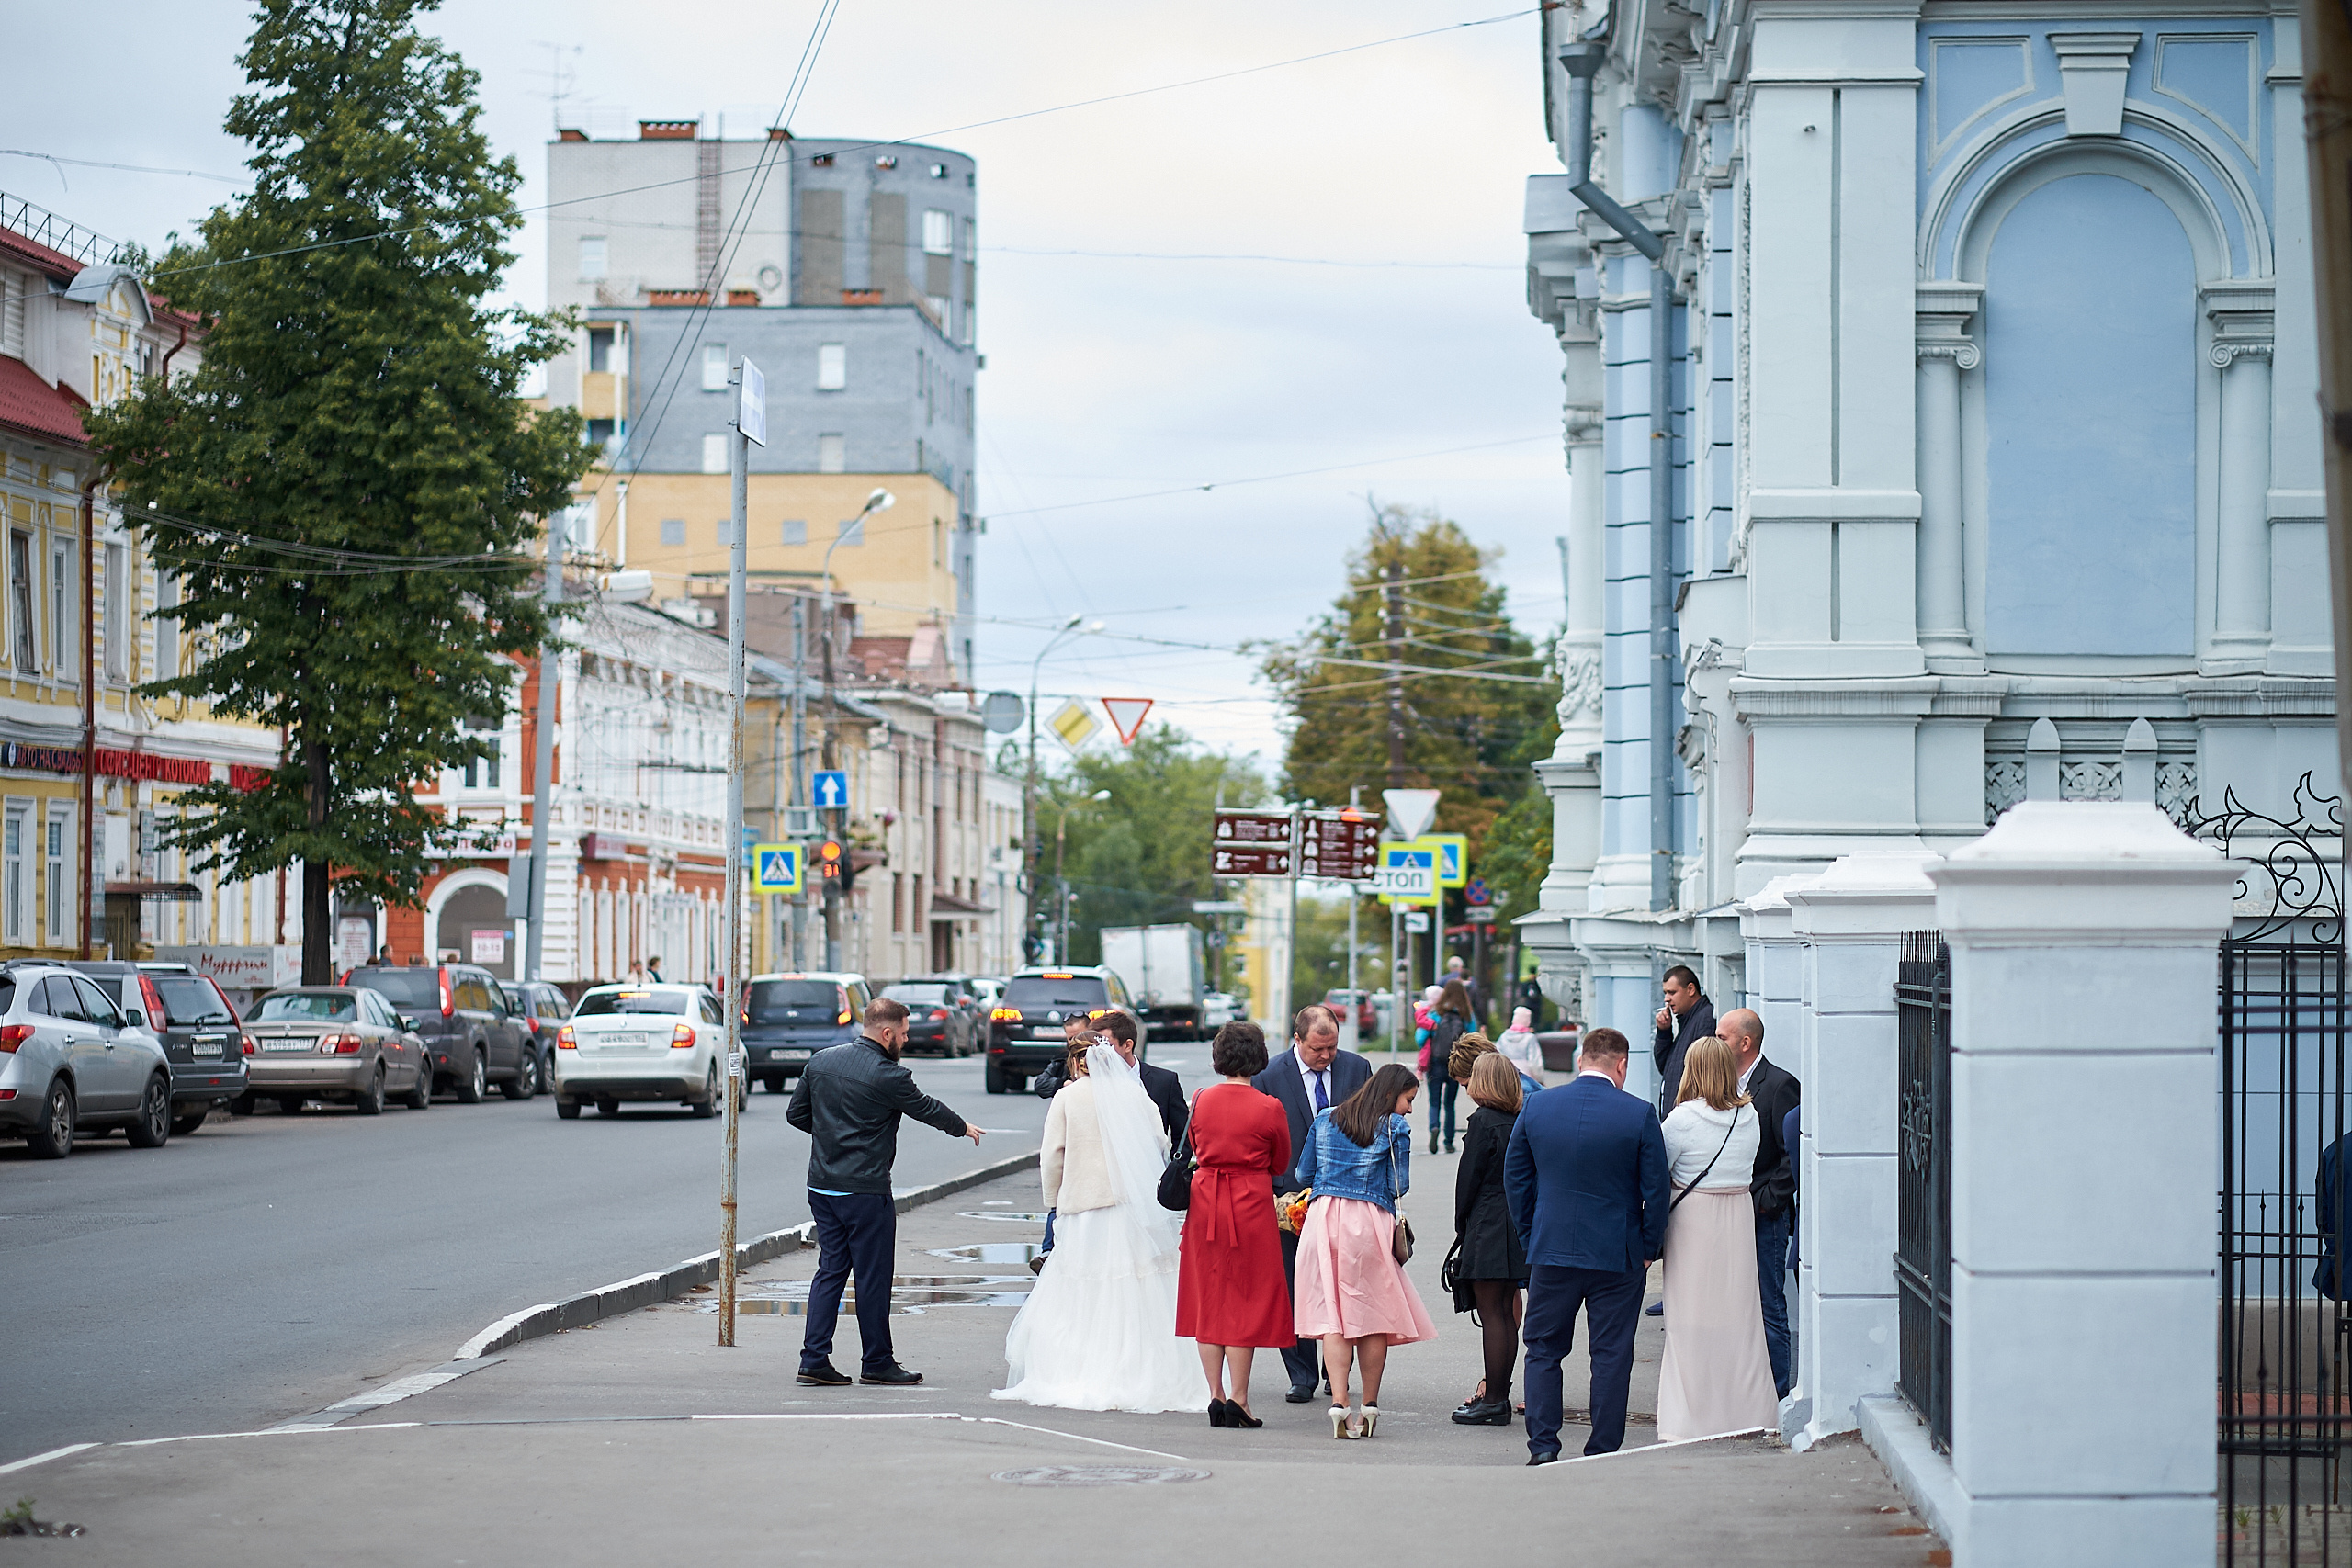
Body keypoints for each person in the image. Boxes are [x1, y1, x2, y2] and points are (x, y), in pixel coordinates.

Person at [786, 997, 984, 1388]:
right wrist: (962, 1127)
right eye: (905, 1034)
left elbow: (796, 1114)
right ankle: (877, 1362)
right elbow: (926, 1108)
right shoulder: (889, 1075)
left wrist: (833, 1139)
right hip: (865, 1191)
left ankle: (813, 1360)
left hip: (822, 1186)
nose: (907, 1041)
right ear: (887, 1032)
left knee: (830, 1270)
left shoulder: (821, 1061)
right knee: (873, 1278)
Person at [994, 1039, 1199, 1412]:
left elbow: (1052, 1154)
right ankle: (1141, 1370)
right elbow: (1158, 1139)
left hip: (1085, 1207)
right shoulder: (1134, 1093)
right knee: (1139, 1292)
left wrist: (1054, 1200)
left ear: (1076, 1062)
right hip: (1131, 1210)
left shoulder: (1068, 1098)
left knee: (1082, 1292)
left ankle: (1080, 1367)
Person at [1505, 1025, 1670, 1463]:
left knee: (1542, 1349)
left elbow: (1516, 1177)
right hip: (1618, 1252)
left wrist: (1530, 1233)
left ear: (1581, 1061)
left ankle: (1543, 1446)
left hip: (1552, 1248)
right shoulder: (1638, 1114)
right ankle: (1602, 1449)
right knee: (1612, 1353)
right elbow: (1656, 1189)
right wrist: (1649, 1246)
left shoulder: (1539, 1106)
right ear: (1622, 1065)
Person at [1294, 1062, 1436, 1439]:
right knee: (1373, 1317)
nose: (1409, 1108)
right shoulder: (1395, 1127)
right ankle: (1368, 1406)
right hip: (1369, 1221)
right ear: (1390, 1095)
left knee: (1334, 1317)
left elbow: (1302, 1175)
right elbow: (1399, 1184)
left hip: (1324, 1218)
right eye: (1408, 1099)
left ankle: (1338, 1403)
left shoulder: (1325, 1118)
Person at [1655, 1036, 1779, 1440]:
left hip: (1694, 1220)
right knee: (1740, 1318)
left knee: (1689, 1319)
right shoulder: (1750, 1116)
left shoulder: (1682, 1120)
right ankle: (1748, 1412)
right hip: (1738, 1215)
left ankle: (1691, 1418)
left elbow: (1661, 1172)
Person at [1176, 1021, 1294, 1428]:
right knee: (1244, 1301)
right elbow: (1280, 1163)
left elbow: (1194, 1146)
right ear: (1257, 1058)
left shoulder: (1201, 1099)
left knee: (1209, 1298)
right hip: (1250, 1204)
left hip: (1206, 1200)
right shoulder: (1269, 1107)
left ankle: (1215, 1394)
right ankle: (1240, 1400)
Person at [1253, 1004, 1372, 1402]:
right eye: (1317, 1049)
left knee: (1344, 1284)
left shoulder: (1357, 1070)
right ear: (1297, 1040)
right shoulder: (1270, 1077)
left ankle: (1333, 1370)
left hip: (1346, 1197)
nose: (1326, 1057)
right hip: (1289, 1198)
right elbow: (1263, 1137)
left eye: (1332, 1048)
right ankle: (1300, 1374)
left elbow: (1372, 1129)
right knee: (1292, 1284)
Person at [1718, 1007, 1801, 1397]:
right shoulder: (1722, 1084)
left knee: (1769, 1306)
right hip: (1729, 1212)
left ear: (1745, 1042)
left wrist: (1766, 1203)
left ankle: (1778, 1397)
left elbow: (1792, 1156)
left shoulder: (1780, 1084)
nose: (1716, 1043)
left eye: (1722, 1037)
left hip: (1764, 1216)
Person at [1450, 1054, 1530, 1427]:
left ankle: (1494, 1400)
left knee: (1491, 1315)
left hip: (1487, 1222)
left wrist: (1460, 1224)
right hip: (1514, 1224)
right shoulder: (1520, 1120)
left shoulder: (1482, 1122)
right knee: (1505, 1315)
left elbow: (1468, 1181)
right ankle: (1499, 1394)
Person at [1035, 1010, 1186, 1144]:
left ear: (1127, 1045)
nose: (1097, 1053)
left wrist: (1174, 1170)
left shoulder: (1163, 1082)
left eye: (1105, 1046)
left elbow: (1180, 1135)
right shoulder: (1082, 1089)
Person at [1419, 979, 1475, 1153]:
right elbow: (1473, 1038)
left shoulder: (1436, 1013)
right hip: (1455, 1064)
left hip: (1436, 1063)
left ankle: (1434, 1127)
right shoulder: (1466, 1015)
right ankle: (1449, 1141)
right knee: (1449, 1103)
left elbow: (1420, 1038)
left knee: (1434, 1102)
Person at [1652, 964, 1716, 1109]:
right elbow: (1666, 1067)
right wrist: (1664, 1032)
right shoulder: (1687, 1020)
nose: (1666, 999)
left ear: (1691, 989)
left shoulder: (1705, 1019)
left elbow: (1702, 1076)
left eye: (1672, 992)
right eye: (1665, 993)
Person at [1494, 1006, 1545, 1095]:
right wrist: (1539, 1079)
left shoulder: (1503, 1037)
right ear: (1527, 1021)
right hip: (1526, 1078)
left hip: (1506, 1076)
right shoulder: (1530, 1038)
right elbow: (1535, 1062)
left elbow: (1495, 1057)